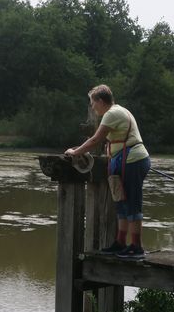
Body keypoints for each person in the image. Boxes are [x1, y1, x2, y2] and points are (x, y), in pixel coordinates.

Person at [65, 84, 151, 258]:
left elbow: (95, 139)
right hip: (128, 161)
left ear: (101, 100)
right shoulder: (117, 111)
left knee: (132, 204)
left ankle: (137, 247)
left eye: (93, 103)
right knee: (122, 203)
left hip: (132, 161)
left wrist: (75, 152)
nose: (92, 107)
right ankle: (120, 243)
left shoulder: (111, 114)